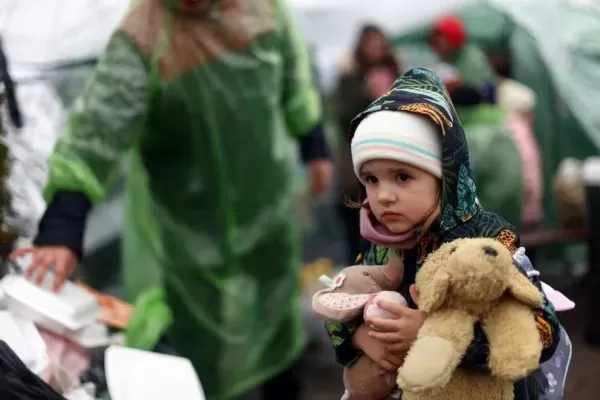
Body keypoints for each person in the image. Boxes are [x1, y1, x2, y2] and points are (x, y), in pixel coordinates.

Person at [8, 0, 332, 399]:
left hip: (267, 206)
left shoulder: (264, 10)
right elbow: (97, 130)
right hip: (189, 233)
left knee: (276, 310)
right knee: (199, 342)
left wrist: (314, 144)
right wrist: (63, 222)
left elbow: (292, 79)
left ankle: (286, 385)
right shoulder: (145, 34)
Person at [324, 68, 560, 399]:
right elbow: (340, 302)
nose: (384, 195)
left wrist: (434, 337)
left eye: (402, 176)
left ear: (445, 174)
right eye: (371, 180)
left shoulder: (486, 238)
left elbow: (544, 331)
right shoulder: (379, 244)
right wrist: (360, 338)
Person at [335, 24, 402, 264]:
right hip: (358, 174)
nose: (376, 48)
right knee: (359, 241)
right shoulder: (351, 77)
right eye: (370, 43)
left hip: (395, 166)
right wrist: (369, 96)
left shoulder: (397, 76)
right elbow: (345, 119)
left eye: (379, 43)